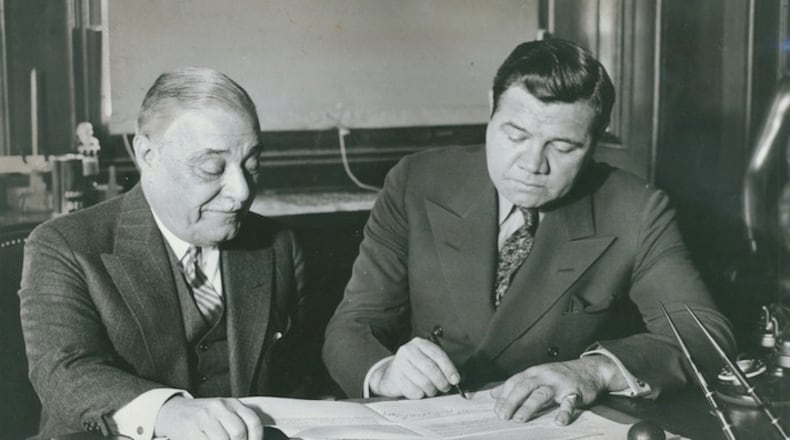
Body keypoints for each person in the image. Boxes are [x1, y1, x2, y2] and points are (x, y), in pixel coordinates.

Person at [323, 39, 736, 425]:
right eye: (516, 135)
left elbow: (706, 335)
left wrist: (596, 370)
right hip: (431, 421)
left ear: (594, 143)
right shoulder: (417, 180)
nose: (532, 164)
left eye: (562, 146)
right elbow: (353, 325)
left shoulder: (636, 209)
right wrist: (383, 372)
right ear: (491, 109)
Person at [19, 67, 313, 440]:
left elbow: (304, 371)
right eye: (212, 167)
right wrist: (166, 411)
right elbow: (63, 372)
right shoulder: (64, 244)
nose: (241, 191)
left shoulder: (278, 244)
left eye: (252, 165)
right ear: (147, 155)